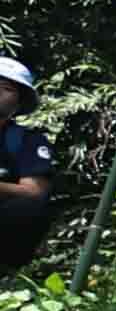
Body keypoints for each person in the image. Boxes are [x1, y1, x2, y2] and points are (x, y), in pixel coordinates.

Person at [0, 57, 60, 277]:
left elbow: (34, 191)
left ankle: (6, 274)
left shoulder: (27, 141)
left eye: (5, 88)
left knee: (30, 209)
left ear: (19, 103)